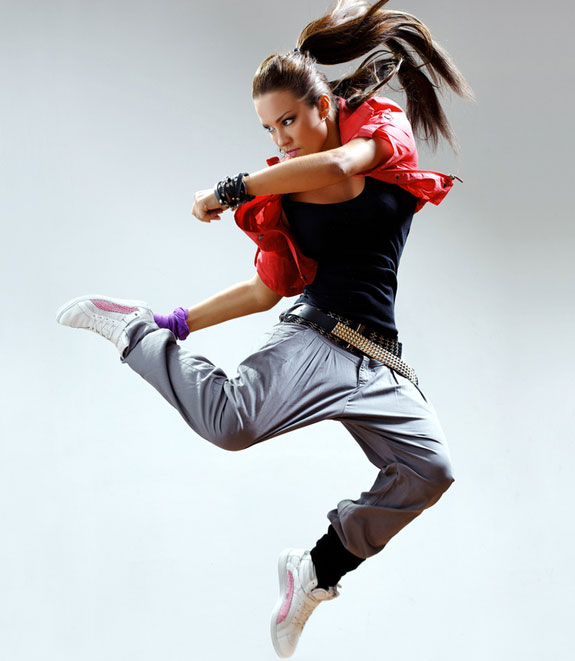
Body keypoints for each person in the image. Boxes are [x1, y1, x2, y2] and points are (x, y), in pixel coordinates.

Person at [56, 1, 473, 657]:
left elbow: (340, 168)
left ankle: (316, 571)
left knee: (430, 470)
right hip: (316, 339)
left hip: (377, 359)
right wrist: (175, 320)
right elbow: (265, 289)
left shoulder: (378, 127)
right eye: (268, 127)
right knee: (230, 424)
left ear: (324, 106)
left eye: (289, 120)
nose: (280, 137)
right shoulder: (281, 196)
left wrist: (230, 189)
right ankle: (133, 331)